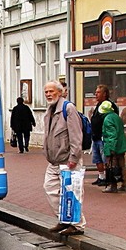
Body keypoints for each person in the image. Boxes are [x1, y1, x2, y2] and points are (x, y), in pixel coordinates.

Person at [42, 80, 86, 235]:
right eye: (46, 91)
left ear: (59, 92)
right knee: (50, 189)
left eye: (51, 91)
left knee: (72, 193)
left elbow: (76, 136)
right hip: (54, 161)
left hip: (68, 160)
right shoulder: (49, 110)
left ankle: (78, 225)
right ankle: (63, 219)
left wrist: (74, 158)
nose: (48, 94)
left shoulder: (68, 108)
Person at [99, 100, 126, 193]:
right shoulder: (116, 116)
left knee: (111, 166)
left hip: (113, 146)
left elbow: (112, 135)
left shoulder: (107, 119)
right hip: (121, 145)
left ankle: (113, 185)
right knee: (122, 165)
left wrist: (111, 148)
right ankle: (125, 184)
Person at [89, 84, 116, 186]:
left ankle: (109, 178)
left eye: (98, 92)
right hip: (95, 137)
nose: (96, 94)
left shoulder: (109, 106)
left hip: (103, 137)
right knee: (97, 159)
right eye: (95, 92)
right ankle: (101, 177)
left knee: (106, 159)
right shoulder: (98, 105)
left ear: (105, 94)